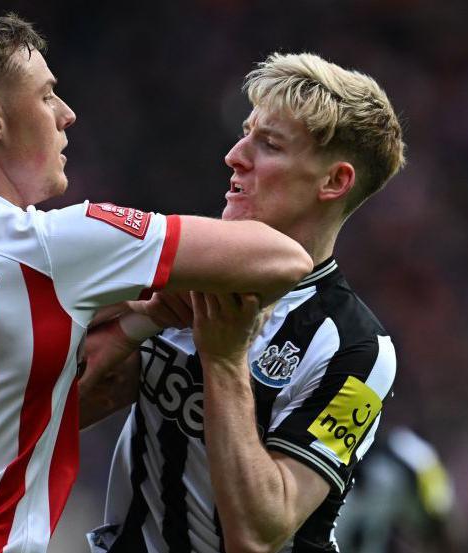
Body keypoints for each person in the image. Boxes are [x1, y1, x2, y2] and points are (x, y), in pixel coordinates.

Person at [0, 15, 312, 553]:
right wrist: (165, 290)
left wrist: (139, 314)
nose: (66, 115)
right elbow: (283, 257)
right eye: (47, 96)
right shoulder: (49, 245)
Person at [79, 52, 407, 553]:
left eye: (269, 144)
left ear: (334, 182)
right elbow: (64, 412)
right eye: (246, 132)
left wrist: (226, 361)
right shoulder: (188, 271)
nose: (235, 155)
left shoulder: (358, 349)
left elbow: (259, 533)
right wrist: (139, 319)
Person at [334, 427, 464, 553]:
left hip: (372, 479)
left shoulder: (435, 503)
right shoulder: (438, 502)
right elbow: (403, 445)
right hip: (374, 478)